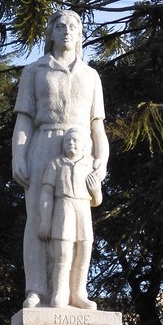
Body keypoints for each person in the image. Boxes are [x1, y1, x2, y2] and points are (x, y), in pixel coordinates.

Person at [12, 9, 109, 308]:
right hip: (43, 143)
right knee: (40, 218)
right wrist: (18, 153)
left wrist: (102, 161)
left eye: (73, 27)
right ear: (51, 33)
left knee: (79, 225)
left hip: (80, 152)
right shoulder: (34, 71)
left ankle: (76, 292)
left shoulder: (91, 76)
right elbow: (24, 120)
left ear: (80, 35)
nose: (67, 31)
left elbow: (97, 126)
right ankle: (37, 289)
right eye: (60, 26)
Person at [39, 128, 102, 308]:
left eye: (75, 141)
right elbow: (46, 193)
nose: (71, 144)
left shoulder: (90, 165)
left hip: (83, 208)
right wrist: (45, 220)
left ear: (83, 145)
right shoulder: (56, 164)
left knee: (83, 251)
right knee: (63, 253)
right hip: (63, 207)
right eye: (68, 141)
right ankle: (60, 292)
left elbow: (96, 201)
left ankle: (79, 293)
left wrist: (95, 190)